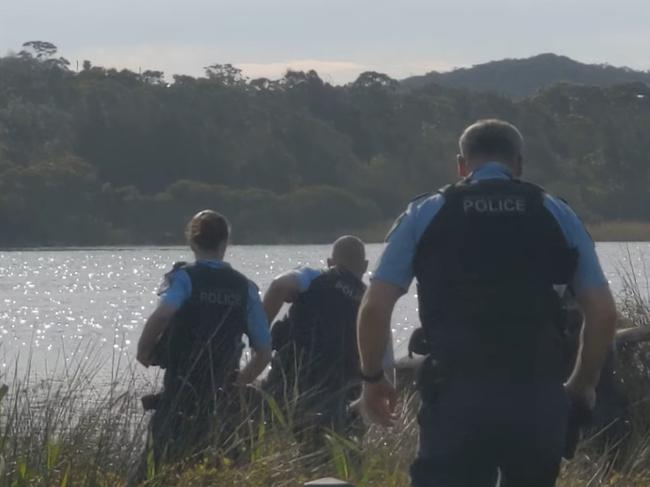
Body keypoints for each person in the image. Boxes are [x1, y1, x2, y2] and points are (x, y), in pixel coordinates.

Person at [357, 119, 617, 487]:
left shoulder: (426, 212)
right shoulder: (555, 211)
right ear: (519, 164)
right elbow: (603, 312)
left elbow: (374, 307)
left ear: (461, 165)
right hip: (536, 395)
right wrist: (582, 382)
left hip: (456, 397)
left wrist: (372, 378)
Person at [135, 210, 271, 474]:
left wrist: (144, 351)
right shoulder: (245, 287)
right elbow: (263, 353)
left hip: (179, 388)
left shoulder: (184, 278)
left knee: (155, 470)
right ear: (225, 243)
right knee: (222, 469)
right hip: (222, 393)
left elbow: (163, 314)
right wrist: (238, 383)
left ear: (192, 243)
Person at [262, 236, 368, 439]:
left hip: (291, 385)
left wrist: (260, 339)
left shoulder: (313, 276)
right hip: (342, 398)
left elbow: (277, 286)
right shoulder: (370, 301)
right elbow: (384, 364)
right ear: (365, 265)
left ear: (330, 263)